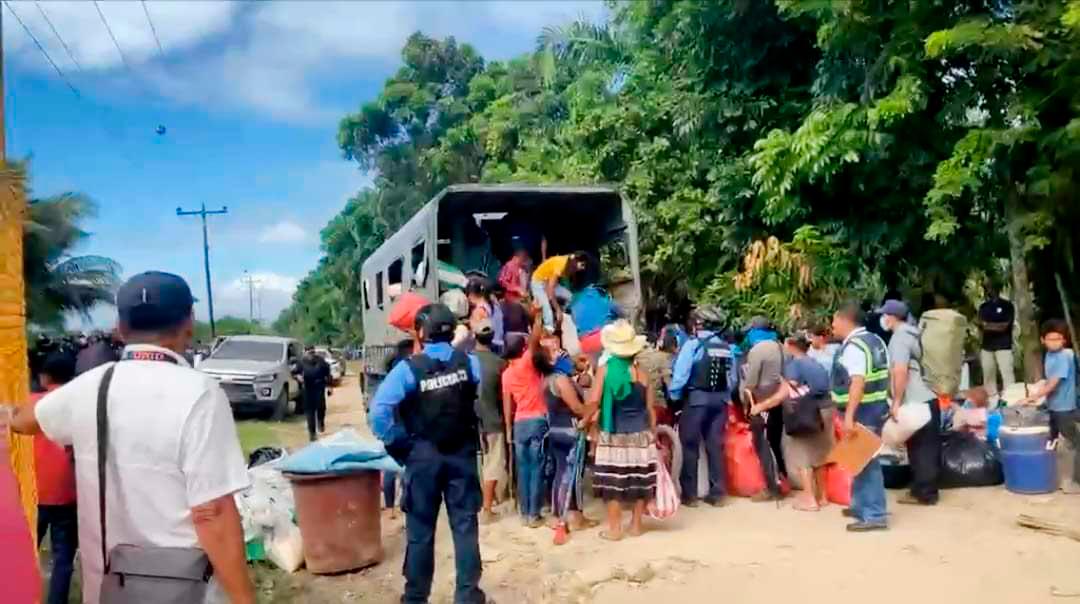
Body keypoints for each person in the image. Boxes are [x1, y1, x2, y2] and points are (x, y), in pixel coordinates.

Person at [4, 271, 255, 604]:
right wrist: (244, 599)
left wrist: (11, 412)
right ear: (189, 322)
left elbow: (24, 421)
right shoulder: (201, 394)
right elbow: (211, 512)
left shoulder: (90, 386)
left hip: (109, 589)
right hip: (185, 588)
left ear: (121, 329)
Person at [369, 303, 487, 604]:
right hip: (461, 454)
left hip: (423, 458)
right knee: (465, 527)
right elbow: (475, 395)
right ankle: (468, 596)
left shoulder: (407, 369)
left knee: (420, 531)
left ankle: (416, 598)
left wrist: (399, 442)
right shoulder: (470, 363)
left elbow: (379, 412)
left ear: (421, 332)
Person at [586, 320, 658, 541]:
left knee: (613, 482)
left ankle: (615, 529)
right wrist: (653, 434)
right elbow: (650, 408)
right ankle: (636, 526)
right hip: (641, 434)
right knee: (639, 480)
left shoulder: (604, 371)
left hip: (613, 435)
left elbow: (594, 401)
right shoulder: (643, 374)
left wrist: (586, 421)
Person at [750, 332, 834, 512]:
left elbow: (784, 393)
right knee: (819, 455)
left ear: (792, 346)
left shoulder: (795, 365)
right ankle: (823, 497)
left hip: (807, 413)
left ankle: (809, 499)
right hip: (826, 410)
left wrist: (761, 406)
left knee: (801, 455)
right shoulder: (815, 363)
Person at [669, 306, 738, 507]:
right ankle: (717, 493)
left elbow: (680, 376)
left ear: (699, 324)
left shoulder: (693, 346)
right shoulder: (727, 349)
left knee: (689, 445)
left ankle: (689, 495)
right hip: (720, 403)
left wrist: (675, 396)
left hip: (697, 401)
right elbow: (732, 380)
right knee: (715, 446)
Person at [831, 301, 891, 532]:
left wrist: (848, 417)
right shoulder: (876, 341)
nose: (832, 325)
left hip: (862, 410)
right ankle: (860, 505)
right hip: (876, 406)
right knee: (857, 460)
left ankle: (874, 513)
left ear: (846, 320)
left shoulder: (855, 346)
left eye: (835, 320)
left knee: (866, 462)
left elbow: (858, 382)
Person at [879, 300, 940, 506]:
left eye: (885, 315)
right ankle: (923, 490)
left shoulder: (899, 338)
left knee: (920, 448)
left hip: (916, 399)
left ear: (892, 317)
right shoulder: (914, 333)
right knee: (924, 446)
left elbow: (900, 370)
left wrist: (896, 402)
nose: (883, 319)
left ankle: (925, 494)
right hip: (929, 396)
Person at [539, 336, 598, 539]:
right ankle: (574, 516)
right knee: (573, 475)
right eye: (553, 352)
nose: (559, 352)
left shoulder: (545, 380)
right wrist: (592, 408)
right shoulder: (560, 380)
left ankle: (558, 515)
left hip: (554, 430)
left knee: (559, 474)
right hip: (571, 430)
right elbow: (577, 408)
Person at [32, 351, 79, 604]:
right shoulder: (79, 406)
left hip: (32, 493)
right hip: (68, 494)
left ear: (44, 377)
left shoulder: (29, 405)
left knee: (23, 552)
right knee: (63, 557)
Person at [501, 318, 549, 528]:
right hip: (537, 419)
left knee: (523, 469)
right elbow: (536, 337)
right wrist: (536, 315)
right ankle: (534, 514)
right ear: (521, 349)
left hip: (519, 423)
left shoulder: (506, 375)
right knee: (537, 468)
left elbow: (507, 406)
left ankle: (524, 512)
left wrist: (509, 430)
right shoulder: (527, 363)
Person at [1021, 320, 1079, 492]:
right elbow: (1049, 381)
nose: (1055, 342)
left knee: (1071, 442)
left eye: (1059, 339)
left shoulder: (1064, 357)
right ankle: (1059, 479)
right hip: (1054, 407)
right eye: (1051, 339)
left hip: (1064, 407)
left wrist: (1033, 397)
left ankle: (1069, 481)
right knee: (1052, 442)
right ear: (1042, 340)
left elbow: (1054, 383)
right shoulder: (1050, 356)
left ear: (1064, 340)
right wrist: (1039, 396)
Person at [742, 316, 787, 498]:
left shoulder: (758, 350)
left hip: (762, 404)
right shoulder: (781, 347)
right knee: (775, 443)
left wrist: (747, 405)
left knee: (764, 444)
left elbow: (750, 382)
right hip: (780, 401)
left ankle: (772, 488)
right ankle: (782, 481)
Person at [473, 320, 509, 524]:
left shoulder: (465, 360)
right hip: (492, 420)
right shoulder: (499, 364)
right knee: (493, 463)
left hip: (470, 421)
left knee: (479, 463)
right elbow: (502, 396)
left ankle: (482, 501)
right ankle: (487, 508)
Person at [530, 252, 585, 334]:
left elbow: (552, 285)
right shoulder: (561, 264)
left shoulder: (571, 263)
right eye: (582, 265)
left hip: (551, 283)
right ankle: (549, 330)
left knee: (572, 298)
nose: (582, 268)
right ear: (574, 261)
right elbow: (550, 289)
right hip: (538, 282)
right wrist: (557, 309)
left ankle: (565, 317)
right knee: (547, 310)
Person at [978, 281, 1016, 397]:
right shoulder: (983, 307)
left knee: (1007, 373)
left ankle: (1011, 398)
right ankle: (991, 399)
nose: (989, 291)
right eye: (987, 288)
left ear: (997, 289)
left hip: (1003, 346)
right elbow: (980, 324)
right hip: (987, 346)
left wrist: (988, 326)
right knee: (988, 374)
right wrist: (993, 326)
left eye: (991, 288)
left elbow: (1004, 327)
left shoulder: (1007, 305)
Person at [300, 345, 333, 442]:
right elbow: (294, 372)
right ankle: (312, 433)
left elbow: (328, 373)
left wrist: (330, 387)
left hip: (319, 387)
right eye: (309, 353)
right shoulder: (301, 362)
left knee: (321, 407)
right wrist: (298, 377)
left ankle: (320, 422)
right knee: (309, 411)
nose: (311, 355)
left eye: (313, 352)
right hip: (307, 389)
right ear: (305, 353)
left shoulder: (321, 361)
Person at [497, 239, 532, 303]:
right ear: (518, 257)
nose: (526, 261)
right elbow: (502, 282)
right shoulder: (509, 266)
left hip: (523, 297)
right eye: (524, 258)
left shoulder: (523, 267)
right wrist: (516, 288)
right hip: (512, 298)